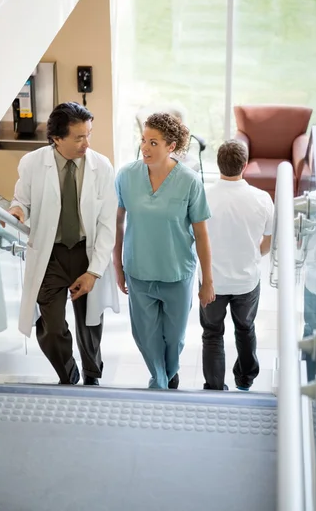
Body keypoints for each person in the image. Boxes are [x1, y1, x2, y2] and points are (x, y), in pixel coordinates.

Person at [8, 102, 118, 385]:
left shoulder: (102, 167)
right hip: (51, 255)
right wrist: (18, 210)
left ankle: (92, 376)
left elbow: (107, 224)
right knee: (51, 327)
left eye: (88, 134)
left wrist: (94, 272)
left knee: (89, 324)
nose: (86, 143)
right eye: (79, 137)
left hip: (86, 251)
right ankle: (68, 376)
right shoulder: (33, 163)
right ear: (57, 138)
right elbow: (21, 200)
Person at [114, 112, 215, 389]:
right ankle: (159, 383)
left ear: (171, 146)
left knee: (175, 339)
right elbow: (117, 224)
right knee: (145, 336)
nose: (145, 147)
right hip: (139, 271)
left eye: (154, 143)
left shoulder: (190, 181)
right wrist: (117, 267)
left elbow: (202, 235)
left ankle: (166, 376)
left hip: (176, 273)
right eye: (144, 140)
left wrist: (207, 281)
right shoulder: (125, 176)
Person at [200, 139, 274, 391]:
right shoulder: (262, 198)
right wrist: (255, 254)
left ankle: (214, 386)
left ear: (218, 165)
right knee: (245, 328)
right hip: (246, 280)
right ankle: (245, 377)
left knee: (212, 334)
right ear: (245, 165)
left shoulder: (203, 196)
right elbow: (269, 241)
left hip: (212, 282)